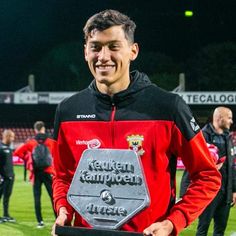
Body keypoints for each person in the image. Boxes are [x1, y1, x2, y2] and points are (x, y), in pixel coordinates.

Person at [51, 9, 221, 236]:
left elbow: (207, 176)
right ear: (85, 52)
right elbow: (62, 175)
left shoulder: (168, 107)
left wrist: (172, 222)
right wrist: (63, 208)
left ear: (133, 51)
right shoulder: (68, 110)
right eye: (95, 47)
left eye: (113, 46)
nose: (103, 56)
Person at [180, 106, 236, 236]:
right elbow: (190, 166)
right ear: (219, 118)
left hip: (225, 193)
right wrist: (184, 193)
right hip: (207, 192)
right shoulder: (202, 136)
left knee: (220, 230)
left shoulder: (228, 137)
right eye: (229, 118)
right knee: (202, 230)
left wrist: (233, 190)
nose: (231, 121)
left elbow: (231, 167)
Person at [13, 121, 55, 228]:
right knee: (53, 197)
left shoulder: (31, 143)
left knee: (37, 197)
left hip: (36, 173)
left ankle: (40, 222)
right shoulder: (50, 141)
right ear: (43, 129)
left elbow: (17, 152)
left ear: (35, 130)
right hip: (48, 172)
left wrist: (28, 159)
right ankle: (57, 218)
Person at [0, 129, 16, 223]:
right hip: (3, 178)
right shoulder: (1, 148)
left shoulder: (8, 147)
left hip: (10, 177)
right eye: (12, 137)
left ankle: (6, 215)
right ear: (7, 136)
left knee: (7, 197)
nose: (13, 139)